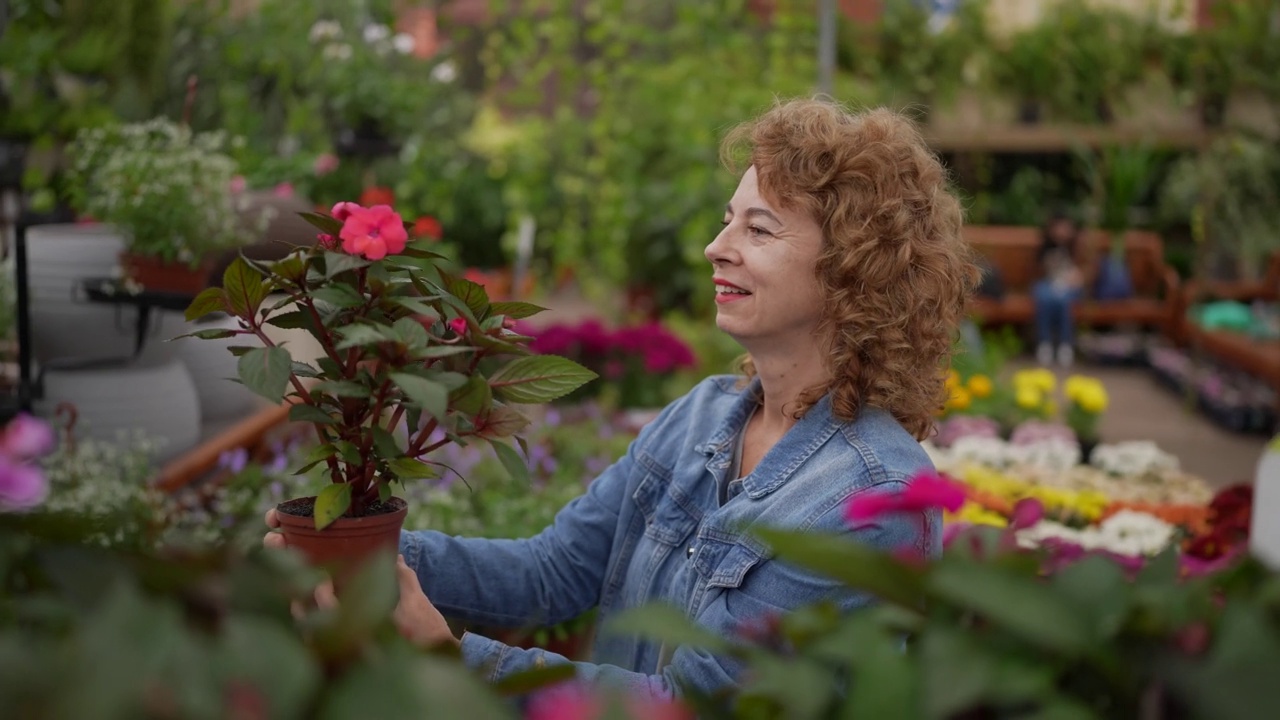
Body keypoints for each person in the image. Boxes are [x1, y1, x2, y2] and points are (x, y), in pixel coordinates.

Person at [265, 98, 978, 700]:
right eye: (728, 219)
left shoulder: (875, 503)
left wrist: (452, 655)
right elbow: (554, 571)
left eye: (758, 229)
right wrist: (370, 553)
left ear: (856, 269)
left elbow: (697, 706)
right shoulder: (702, 415)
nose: (714, 247)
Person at [1031, 212, 1084, 367]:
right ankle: (1044, 343)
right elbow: (1037, 272)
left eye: (1065, 227)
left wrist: (1077, 278)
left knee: (1063, 301)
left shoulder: (1077, 246)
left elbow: (1085, 271)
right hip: (1048, 284)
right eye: (1058, 227)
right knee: (1044, 297)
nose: (1062, 231)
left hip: (1070, 286)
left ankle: (1065, 345)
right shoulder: (1045, 246)